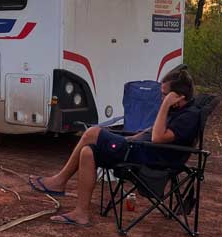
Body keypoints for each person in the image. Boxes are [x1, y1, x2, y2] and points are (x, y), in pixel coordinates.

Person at [30, 67, 201, 227]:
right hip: (139, 148)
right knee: (88, 152)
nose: (162, 99)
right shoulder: (178, 110)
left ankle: (59, 181)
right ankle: (81, 213)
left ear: (179, 96)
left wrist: (164, 106)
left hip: (151, 159)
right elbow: (152, 130)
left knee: (92, 133)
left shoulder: (189, 117)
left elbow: (157, 138)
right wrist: (131, 137)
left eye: (165, 95)